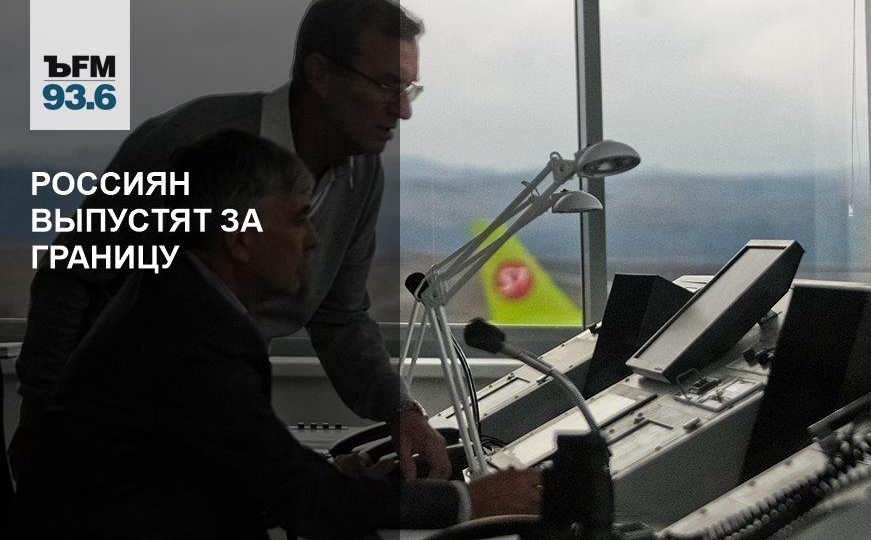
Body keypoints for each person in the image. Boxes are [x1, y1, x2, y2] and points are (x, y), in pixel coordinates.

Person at [17, 131, 542, 540]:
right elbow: (304, 502)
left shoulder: (175, 301)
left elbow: (243, 465)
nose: (313, 239)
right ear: (240, 237)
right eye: (298, 218)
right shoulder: (195, 334)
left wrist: (335, 478)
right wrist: (472, 502)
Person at [12, 0, 447, 481]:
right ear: (321, 74)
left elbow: (339, 318)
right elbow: (70, 277)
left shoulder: (361, 175)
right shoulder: (188, 142)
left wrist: (401, 411)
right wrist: (45, 427)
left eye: (409, 89)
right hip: (114, 426)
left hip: (212, 421)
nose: (403, 110)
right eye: (386, 85)